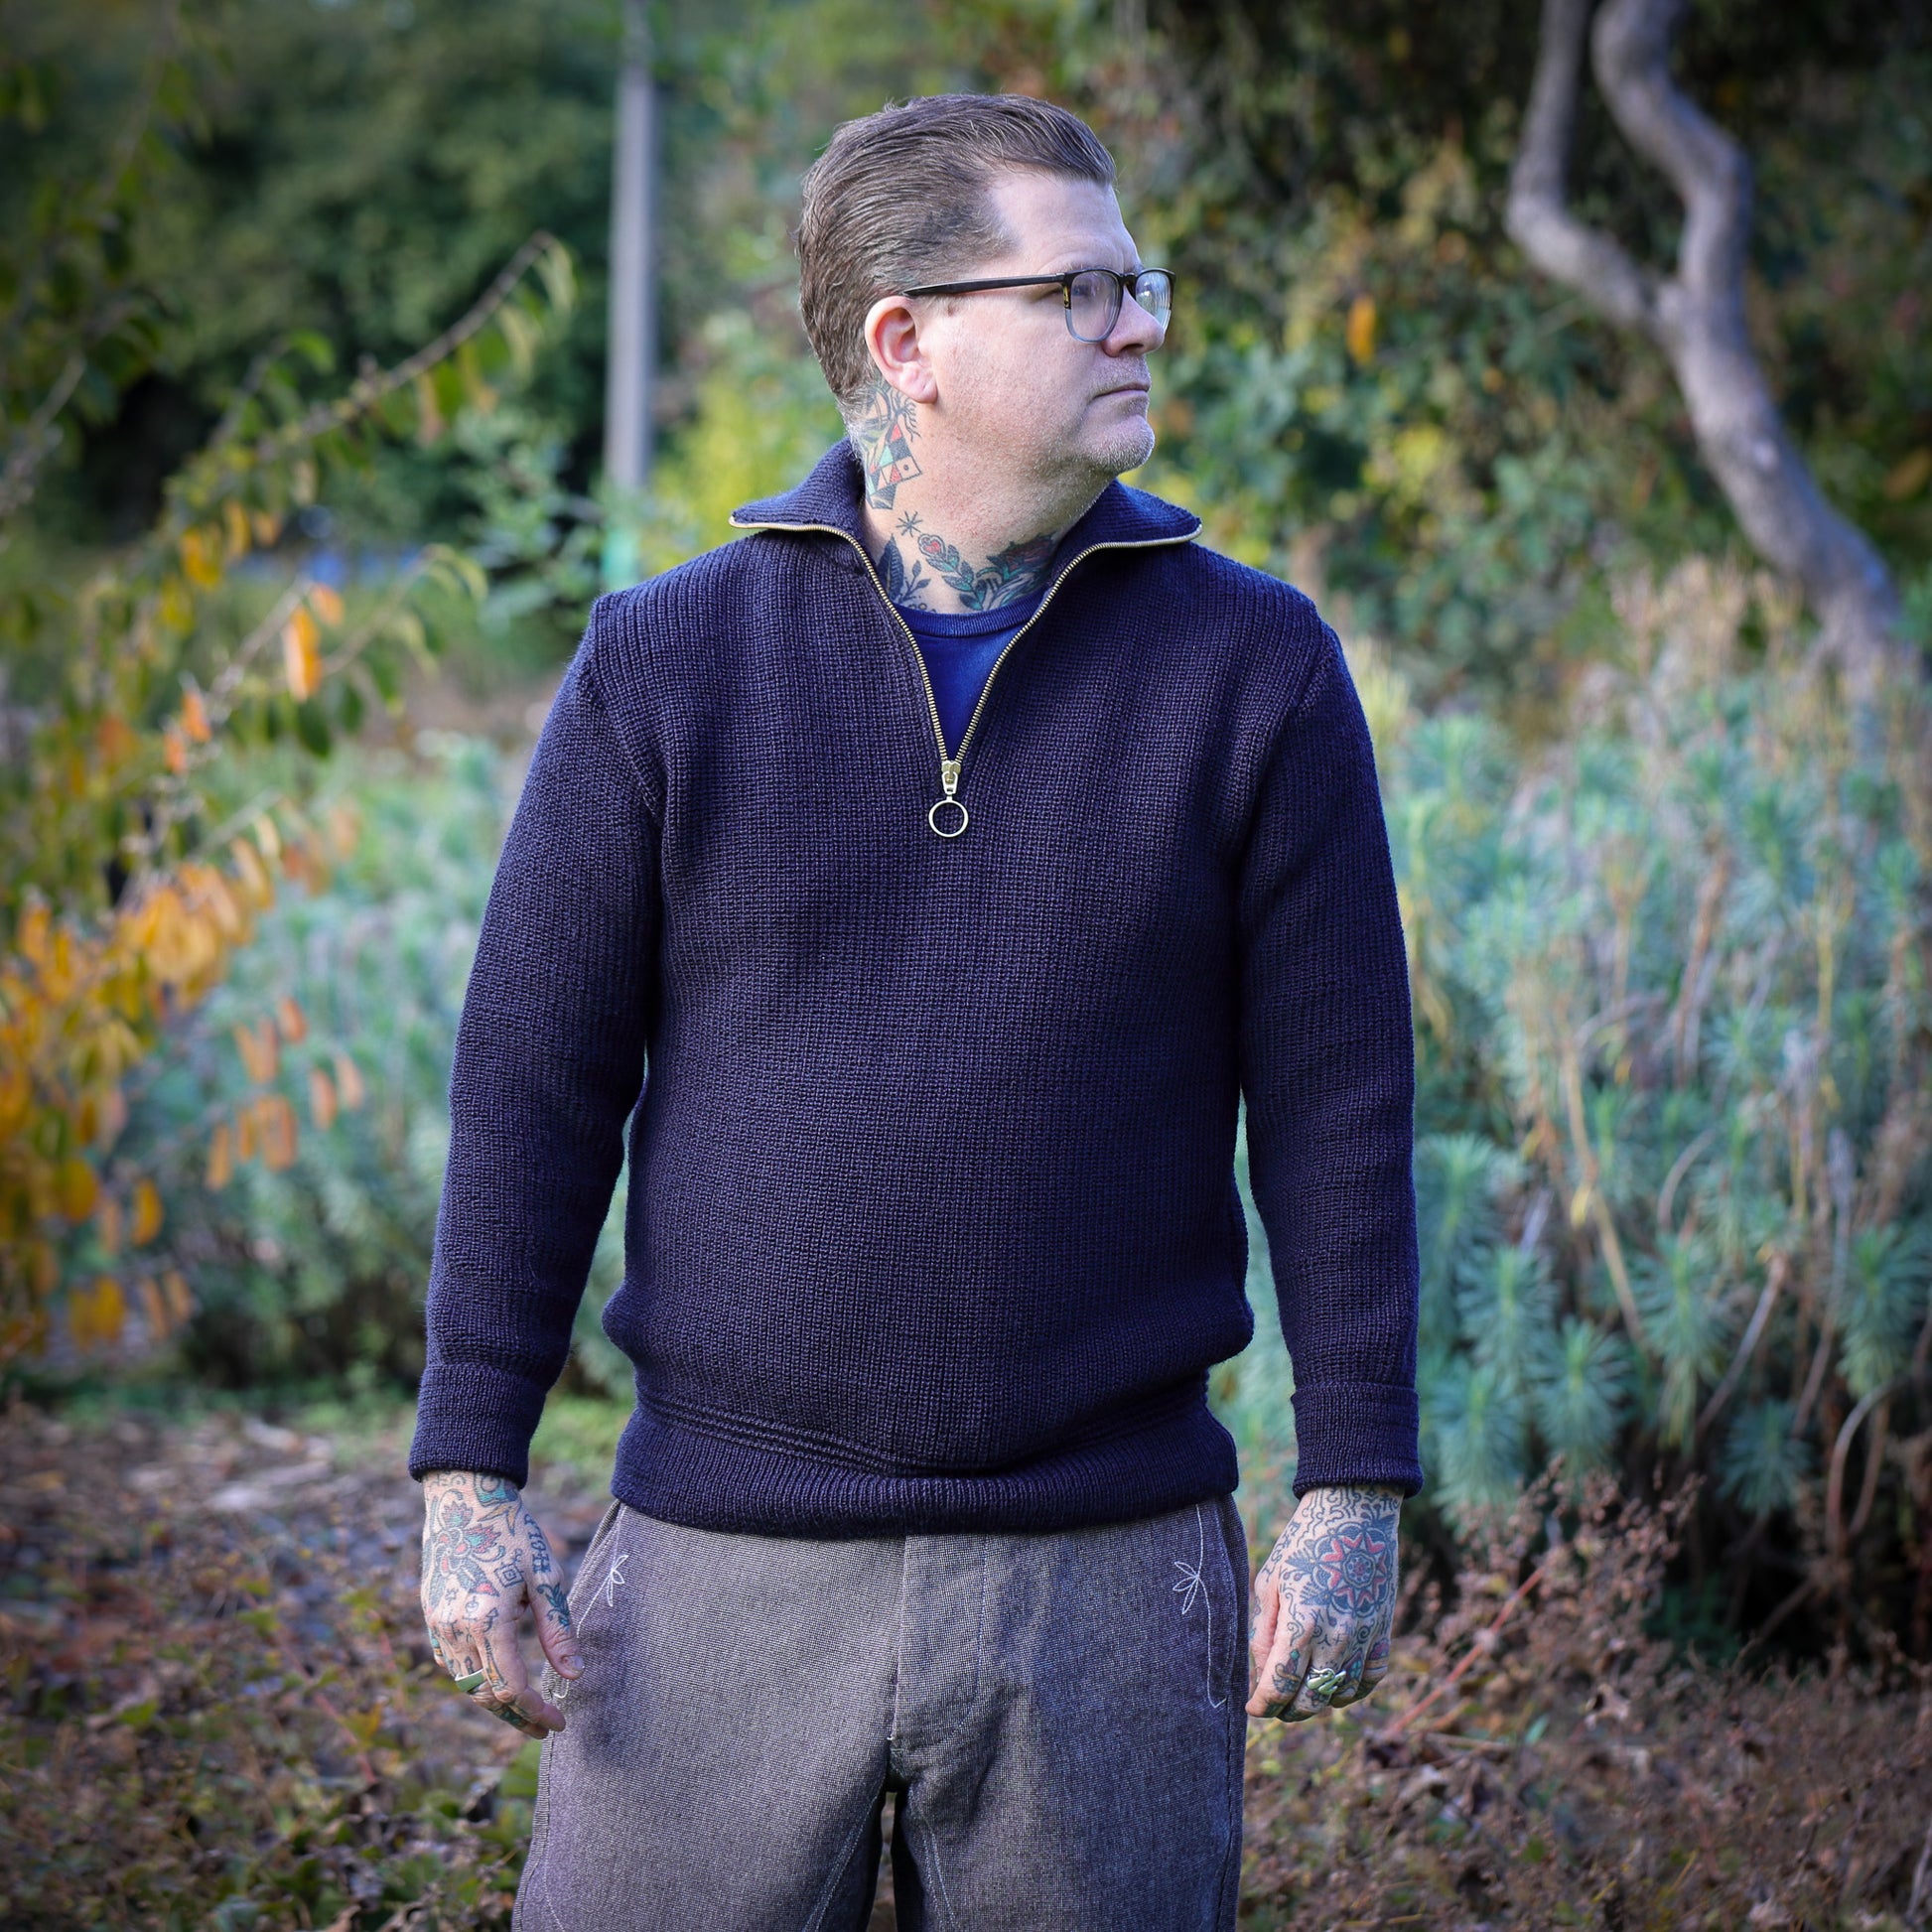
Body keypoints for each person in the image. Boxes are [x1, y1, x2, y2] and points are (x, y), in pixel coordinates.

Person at [410, 91, 1422, 1932]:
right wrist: (468, 1470)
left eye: (1139, 286)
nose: (1136, 326)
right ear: (906, 341)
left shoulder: (1256, 670)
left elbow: (1338, 1107)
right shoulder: (665, 662)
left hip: (1105, 1574)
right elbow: (534, 1085)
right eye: (1077, 289)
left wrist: (1353, 1477)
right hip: (717, 1561)